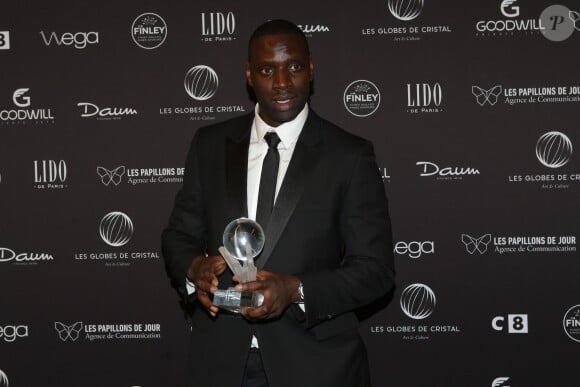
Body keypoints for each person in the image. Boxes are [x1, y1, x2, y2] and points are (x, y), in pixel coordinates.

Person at [162, 19, 395, 387]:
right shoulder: (209, 145)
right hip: (221, 364)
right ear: (249, 74)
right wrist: (195, 268)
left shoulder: (348, 155)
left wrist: (295, 290)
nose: (283, 82)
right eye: (268, 69)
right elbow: (178, 235)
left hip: (316, 365)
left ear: (312, 68)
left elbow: (375, 270)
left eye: (295, 67)